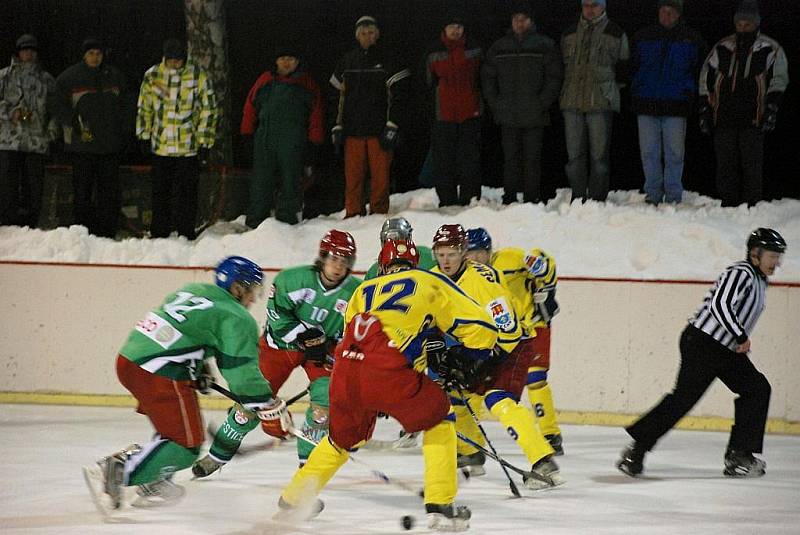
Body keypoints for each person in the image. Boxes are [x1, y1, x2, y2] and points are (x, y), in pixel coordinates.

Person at [277, 237, 499, 531]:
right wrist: (469, 356)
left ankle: (293, 501)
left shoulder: (364, 289)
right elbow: (481, 327)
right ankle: (441, 505)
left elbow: (358, 333)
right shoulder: (428, 280)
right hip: (388, 371)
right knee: (440, 417)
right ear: (414, 264)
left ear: (383, 267)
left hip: (346, 372)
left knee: (342, 440)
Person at [82, 256, 287, 514]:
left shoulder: (194, 290)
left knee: (172, 429)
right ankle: (121, 470)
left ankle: (154, 480)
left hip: (131, 359)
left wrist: (199, 367)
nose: (254, 299)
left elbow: (186, 330)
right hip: (159, 369)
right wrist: (263, 400)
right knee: (186, 444)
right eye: (252, 290)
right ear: (237, 288)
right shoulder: (236, 315)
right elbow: (240, 370)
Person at [617, 228, 786, 478]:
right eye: (772, 256)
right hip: (703, 343)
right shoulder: (741, 273)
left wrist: (737, 339)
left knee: (757, 389)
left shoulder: (759, 279)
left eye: (778, 256)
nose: (777, 262)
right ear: (754, 254)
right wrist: (740, 336)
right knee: (683, 400)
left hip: (724, 348)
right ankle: (636, 451)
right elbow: (720, 305)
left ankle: (739, 455)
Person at [193, 230, 361, 477]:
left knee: (322, 410)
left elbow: (356, 330)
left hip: (322, 354)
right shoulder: (292, 280)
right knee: (247, 406)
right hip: (280, 347)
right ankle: (217, 456)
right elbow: (277, 315)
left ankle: (307, 473)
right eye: (334, 258)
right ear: (323, 257)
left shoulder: (357, 292)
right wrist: (305, 336)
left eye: (345, 260)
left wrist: (335, 350)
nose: (338, 266)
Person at [431, 224, 563, 488]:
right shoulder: (432, 278)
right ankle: (471, 454)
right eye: (441, 254)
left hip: (513, 344)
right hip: (477, 346)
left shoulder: (483, 282)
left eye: (452, 254)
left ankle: (543, 460)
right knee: (456, 394)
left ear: (463, 253)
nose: (446, 261)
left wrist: (486, 357)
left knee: (497, 399)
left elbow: (510, 329)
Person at [465, 227, 565, 455]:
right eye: (470, 253)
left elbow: (545, 265)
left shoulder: (511, 257)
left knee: (536, 377)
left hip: (532, 326)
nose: (475, 258)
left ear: (489, 250)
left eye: (480, 252)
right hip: (500, 337)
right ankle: (471, 442)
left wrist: (547, 290)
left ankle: (550, 434)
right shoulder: (469, 275)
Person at [698, 0, 789, 207]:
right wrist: (704, 108)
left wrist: (772, 109)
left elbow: (779, 79)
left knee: (751, 165)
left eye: (747, 23)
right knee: (725, 165)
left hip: (753, 117)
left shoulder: (769, 48)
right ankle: (728, 205)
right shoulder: (723, 46)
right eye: (739, 23)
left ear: (756, 23)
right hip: (723, 115)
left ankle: (752, 205)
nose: (743, 27)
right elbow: (705, 77)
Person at [136, 37, 218, 239]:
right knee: (160, 193)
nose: (175, 63)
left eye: (179, 60)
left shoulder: (198, 75)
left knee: (187, 194)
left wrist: (204, 142)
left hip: (187, 148)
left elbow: (209, 109)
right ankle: (160, 232)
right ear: (165, 58)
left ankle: (185, 232)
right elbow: (144, 107)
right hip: (161, 146)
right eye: (171, 60)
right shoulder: (153, 75)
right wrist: (143, 135)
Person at [482, 2, 563, 204]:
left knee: (532, 159)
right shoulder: (499, 46)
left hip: (535, 113)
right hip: (507, 113)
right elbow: (487, 76)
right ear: (511, 21)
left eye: (523, 19)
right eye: (516, 19)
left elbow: (554, 77)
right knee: (510, 160)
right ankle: (509, 196)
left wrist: (542, 102)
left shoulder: (544, 44)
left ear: (530, 21)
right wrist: (495, 102)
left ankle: (531, 197)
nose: (519, 23)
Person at [330, 15, 411, 218]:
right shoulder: (347, 61)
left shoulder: (388, 59)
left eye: (371, 33)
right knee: (353, 176)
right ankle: (353, 213)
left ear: (377, 35)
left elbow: (400, 95)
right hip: (353, 130)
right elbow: (337, 97)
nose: (367, 36)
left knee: (380, 177)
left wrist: (392, 125)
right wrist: (337, 126)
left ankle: (378, 213)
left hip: (379, 129)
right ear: (357, 36)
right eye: (363, 33)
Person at [630, 0, 705, 205]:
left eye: (671, 12)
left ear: (678, 14)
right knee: (649, 152)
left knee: (674, 152)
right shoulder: (643, 36)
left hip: (676, 104)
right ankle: (653, 192)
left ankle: (673, 194)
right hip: (646, 102)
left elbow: (699, 70)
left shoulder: (691, 38)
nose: (666, 15)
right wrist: (636, 89)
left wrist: (690, 94)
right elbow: (631, 67)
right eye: (663, 11)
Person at [241, 47, 323, 227]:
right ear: (276, 61)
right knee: (261, 181)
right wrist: (246, 134)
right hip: (265, 139)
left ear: (297, 62)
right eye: (283, 58)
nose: (286, 62)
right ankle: (256, 222)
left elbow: (316, 115)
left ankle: (286, 221)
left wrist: (314, 142)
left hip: (293, 140)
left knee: (290, 179)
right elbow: (250, 107)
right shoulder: (264, 80)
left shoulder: (306, 83)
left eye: (291, 59)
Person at [55, 37, 128, 238]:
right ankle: (82, 232)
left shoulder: (114, 76)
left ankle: (107, 232)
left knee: (109, 194)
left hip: (109, 147)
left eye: (99, 54)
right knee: (82, 193)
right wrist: (72, 123)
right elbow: (57, 106)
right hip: (82, 147)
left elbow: (126, 106)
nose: (95, 57)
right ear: (84, 55)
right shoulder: (69, 78)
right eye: (91, 54)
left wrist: (123, 131)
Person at [560, 0, 629, 203]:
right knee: (574, 157)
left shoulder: (616, 33)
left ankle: (597, 199)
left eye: (595, 5)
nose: (590, 9)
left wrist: (608, 91)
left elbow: (624, 70)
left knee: (599, 158)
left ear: (604, 7)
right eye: (586, 5)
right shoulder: (569, 33)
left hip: (600, 103)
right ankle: (578, 196)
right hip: (572, 101)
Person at [423, 12, 484, 207]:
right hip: (443, 115)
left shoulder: (475, 49)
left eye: (459, 27)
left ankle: (471, 198)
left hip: (470, 112)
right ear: (445, 29)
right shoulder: (433, 52)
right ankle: (447, 200)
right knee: (444, 160)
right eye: (452, 27)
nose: (455, 31)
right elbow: (426, 84)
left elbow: (483, 78)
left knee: (470, 159)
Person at [0, 34, 57, 228]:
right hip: (9, 140)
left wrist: (51, 132)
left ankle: (31, 227)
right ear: (18, 52)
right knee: (8, 186)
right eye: (25, 50)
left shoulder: (46, 79)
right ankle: (8, 224)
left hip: (36, 142)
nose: (29, 54)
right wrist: (10, 112)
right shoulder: (4, 75)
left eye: (32, 50)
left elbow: (55, 110)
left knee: (33, 188)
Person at [364, 216, 436, 280]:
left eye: (397, 239)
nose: (393, 245)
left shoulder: (373, 270)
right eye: (389, 240)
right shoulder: (429, 256)